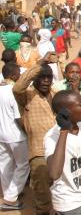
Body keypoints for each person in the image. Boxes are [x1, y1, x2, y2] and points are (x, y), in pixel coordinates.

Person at [13, 53, 59, 214]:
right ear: (34, 80)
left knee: (58, 186)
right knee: (42, 192)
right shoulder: (26, 96)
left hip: (58, 149)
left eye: (48, 77)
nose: (46, 80)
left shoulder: (54, 94)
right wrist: (40, 63)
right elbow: (18, 87)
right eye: (42, 77)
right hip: (39, 151)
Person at [0, 63, 29, 211]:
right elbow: (18, 118)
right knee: (23, 165)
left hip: (1, 135)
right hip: (16, 135)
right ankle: (10, 198)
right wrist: (28, 131)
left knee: (5, 164)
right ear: (12, 76)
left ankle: (9, 193)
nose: (20, 76)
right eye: (18, 74)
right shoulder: (13, 91)